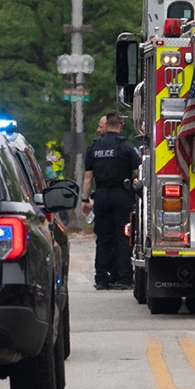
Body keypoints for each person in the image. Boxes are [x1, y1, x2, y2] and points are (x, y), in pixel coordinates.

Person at [85, 111, 141, 290]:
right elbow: (137, 173)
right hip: (122, 196)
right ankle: (124, 279)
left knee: (103, 239)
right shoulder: (126, 147)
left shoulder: (94, 147)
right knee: (124, 237)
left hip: (101, 196)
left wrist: (85, 200)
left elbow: (88, 179)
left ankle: (101, 278)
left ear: (107, 125)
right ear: (121, 126)